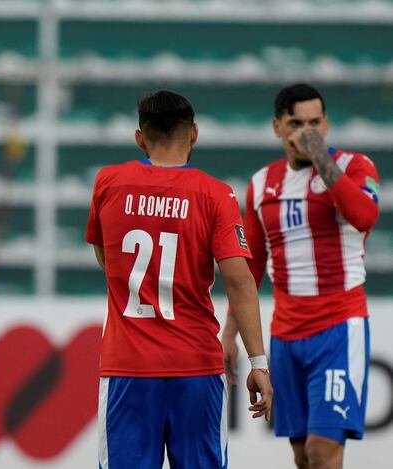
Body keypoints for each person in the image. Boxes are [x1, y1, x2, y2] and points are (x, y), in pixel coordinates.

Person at [86, 91, 273, 469]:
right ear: (195, 134)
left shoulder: (108, 182)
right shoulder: (215, 194)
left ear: (140, 137)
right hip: (196, 367)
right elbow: (240, 281)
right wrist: (258, 362)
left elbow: (104, 253)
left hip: (129, 367)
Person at [222, 83, 380, 469]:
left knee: (323, 450)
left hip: (339, 327)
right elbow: (252, 264)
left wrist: (321, 158)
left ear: (326, 124)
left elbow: (365, 216)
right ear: (277, 126)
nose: (306, 132)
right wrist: (230, 331)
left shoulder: (354, 166)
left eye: (315, 123)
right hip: (287, 334)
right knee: (301, 457)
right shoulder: (261, 184)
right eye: (296, 123)